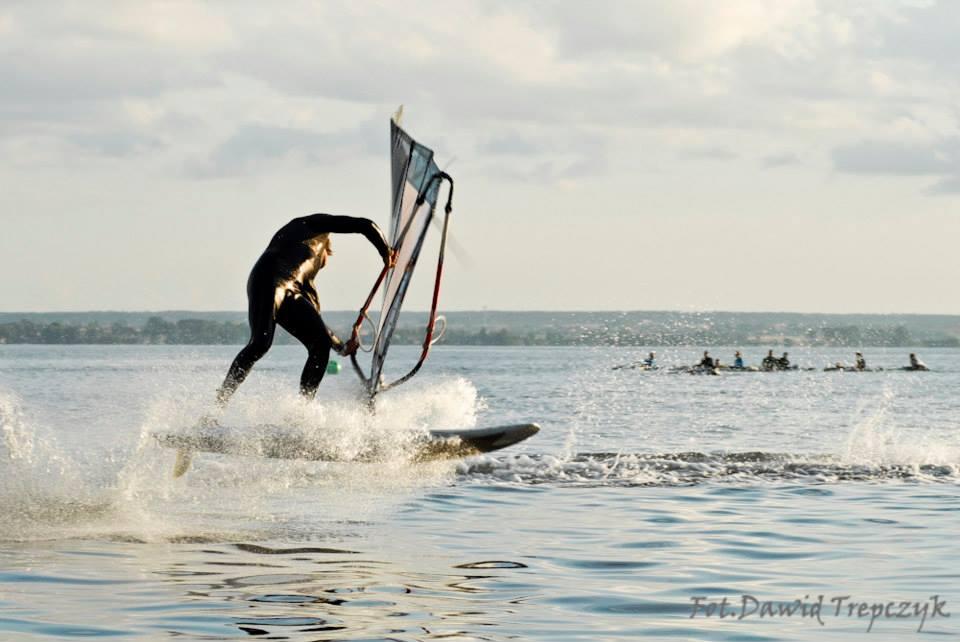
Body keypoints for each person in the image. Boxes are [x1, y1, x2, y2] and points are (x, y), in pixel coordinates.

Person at [215, 214, 393, 406]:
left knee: (317, 346)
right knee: (260, 344)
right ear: (326, 251)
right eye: (325, 261)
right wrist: (386, 252)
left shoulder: (306, 286)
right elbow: (365, 225)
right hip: (269, 278)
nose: (322, 266)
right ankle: (219, 404)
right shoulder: (311, 225)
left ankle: (301, 413)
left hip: (281, 287)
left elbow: (321, 330)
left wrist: (342, 347)